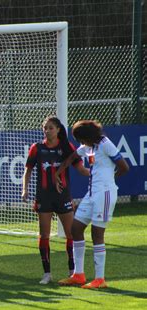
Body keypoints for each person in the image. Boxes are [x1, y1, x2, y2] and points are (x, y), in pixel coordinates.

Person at [56, 120, 129, 289]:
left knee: (97, 233)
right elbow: (73, 156)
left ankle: (99, 279)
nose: (79, 142)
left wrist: (109, 180)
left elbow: (124, 167)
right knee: (75, 229)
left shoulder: (105, 144)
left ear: (87, 136)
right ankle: (78, 274)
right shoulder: (88, 147)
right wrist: (58, 173)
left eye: (79, 138)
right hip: (90, 195)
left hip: (104, 194)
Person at [22, 116, 90, 285]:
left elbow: (81, 169)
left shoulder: (66, 147)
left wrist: (98, 173)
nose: (47, 131)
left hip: (63, 197)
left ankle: (72, 271)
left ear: (59, 129)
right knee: (44, 234)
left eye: (51, 128)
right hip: (43, 197)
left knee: (71, 233)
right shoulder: (36, 148)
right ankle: (47, 274)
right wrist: (25, 189)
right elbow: (28, 170)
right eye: (45, 128)